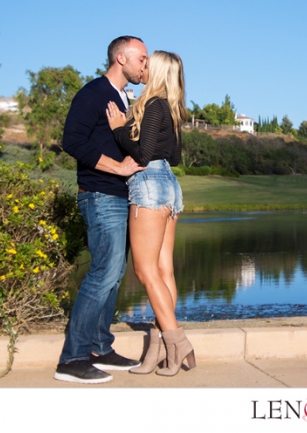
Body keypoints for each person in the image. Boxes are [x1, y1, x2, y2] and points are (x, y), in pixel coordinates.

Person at [53, 36, 148, 384]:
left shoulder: (124, 98)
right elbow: (72, 141)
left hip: (119, 198)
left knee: (114, 274)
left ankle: (98, 348)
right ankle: (72, 359)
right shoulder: (93, 93)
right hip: (99, 194)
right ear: (120, 57)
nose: (145, 65)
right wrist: (119, 168)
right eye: (141, 58)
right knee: (103, 274)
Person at [106, 50, 195, 376]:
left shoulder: (155, 103)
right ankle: (159, 349)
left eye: (147, 62)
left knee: (144, 271)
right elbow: (174, 154)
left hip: (149, 184)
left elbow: (142, 153)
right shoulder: (171, 107)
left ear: (157, 70)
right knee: (163, 270)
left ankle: (177, 340)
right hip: (169, 183)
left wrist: (119, 129)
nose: (143, 66)